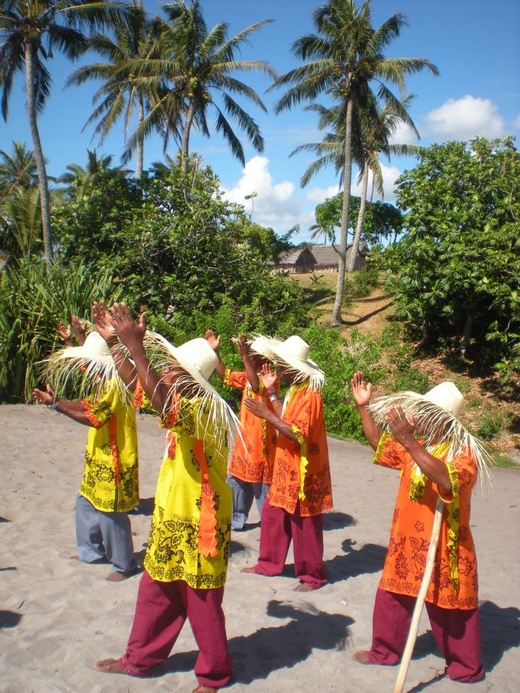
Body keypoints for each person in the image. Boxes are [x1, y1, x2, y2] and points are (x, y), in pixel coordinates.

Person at [94, 303, 239, 693]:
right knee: (156, 589)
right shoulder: (178, 397)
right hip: (172, 515)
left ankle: (213, 674)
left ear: (191, 379)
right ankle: (139, 659)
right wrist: (116, 344)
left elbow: (157, 395)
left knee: (202, 601)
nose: (167, 374)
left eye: (174, 370)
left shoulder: (202, 408)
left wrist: (136, 349)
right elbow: (139, 383)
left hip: (200, 521)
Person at [349, 371, 489, 683]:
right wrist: (364, 407)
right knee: (392, 598)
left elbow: (445, 478)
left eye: (426, 413)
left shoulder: (462, 454)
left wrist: (410, 442)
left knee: (451, 608)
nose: (420, 417)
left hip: (444, 547)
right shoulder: (418, 443)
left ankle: (465, 669)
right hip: (407, 540)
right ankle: (384, 652)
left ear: (442, 420)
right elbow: (379, 444)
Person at [32, 326, 139, 582]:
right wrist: (57, 402)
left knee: (111, 513)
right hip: (98, 456)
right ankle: (91, 552)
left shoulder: (115, 383)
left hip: (114, 459)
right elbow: (87, 405)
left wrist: (58, 405)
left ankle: (125, 565)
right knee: (86, 502)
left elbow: (94, 417)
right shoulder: (103, 378)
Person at [240, 334, 332, 592]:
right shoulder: (297, 390)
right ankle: (268, 563)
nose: (277, 368)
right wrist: (271, 394)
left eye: (281, 364)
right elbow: (287, 419)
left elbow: (298, 433)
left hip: (303, 470)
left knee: (305, 525)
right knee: (273, 516)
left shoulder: (311, 395)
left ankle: (312, 575)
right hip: (285, 466)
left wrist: (265, 413)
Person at [205, 330, 277, 530]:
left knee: (261, 486)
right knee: (238, 482)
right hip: (245, 442)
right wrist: (215, 353)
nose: (250, 357)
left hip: (260, 447)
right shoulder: (247, 376)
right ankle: (238, 519)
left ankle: (269, 523)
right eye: (250, 355)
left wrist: (244, 357)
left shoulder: (270, 379)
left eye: (253, 356)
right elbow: (225, 375)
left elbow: (256, 387)